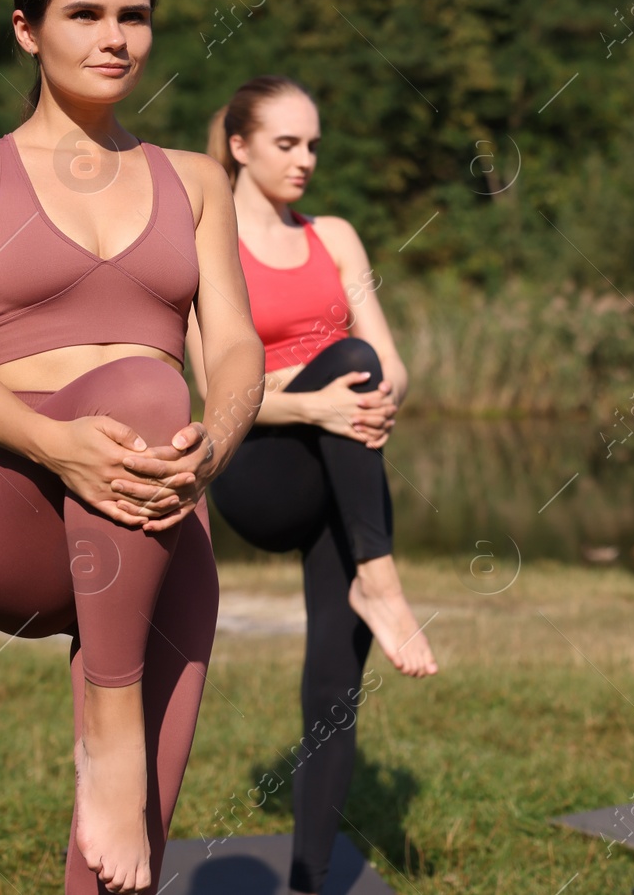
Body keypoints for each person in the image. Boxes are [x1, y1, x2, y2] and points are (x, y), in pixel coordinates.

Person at [0, 0, 264, 894]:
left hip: (156, 505)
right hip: (4, 498)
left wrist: (214, 449)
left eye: (134, 16)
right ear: (28, 29)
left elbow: (234, 347)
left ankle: (118, 770)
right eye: (85, 14)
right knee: (149, 379)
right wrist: (62, 449)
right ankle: (103, 730)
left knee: (127, 852)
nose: (115, 36)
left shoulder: (196, 181)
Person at [193, 75, 438, 895]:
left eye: (314, 145)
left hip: (341, 465)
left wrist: (367, 405)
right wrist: (322, 403)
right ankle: (384, 578)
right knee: (349, 363)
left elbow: (390, 362)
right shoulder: (206, 240)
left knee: (335, 687)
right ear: (239, 145)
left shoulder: (335, 235)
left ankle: (307, 878)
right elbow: (213, 392)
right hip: (257, 470)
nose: (306, 161)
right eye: (287, 144)